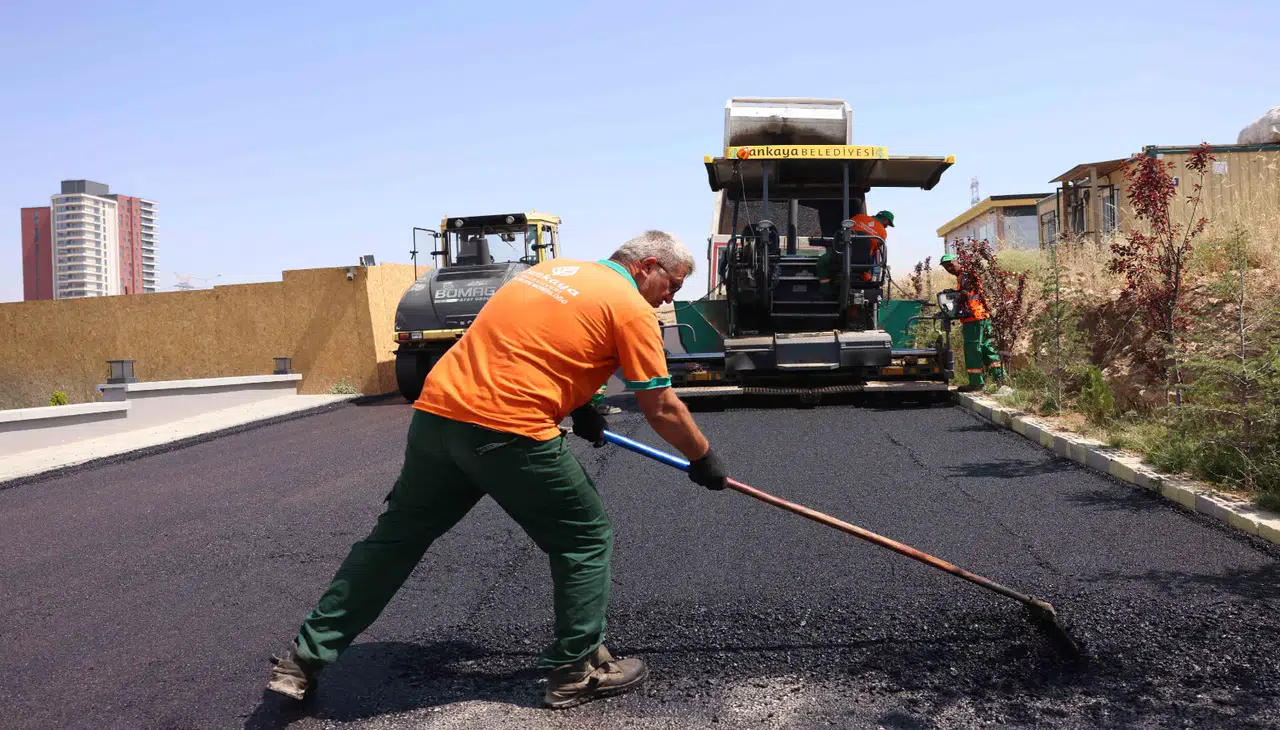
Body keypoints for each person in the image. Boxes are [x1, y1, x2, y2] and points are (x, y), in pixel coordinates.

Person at [265, 230, 730, 710]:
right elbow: (661, 406)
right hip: (509, 431)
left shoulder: (549, 273)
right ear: (647, 265)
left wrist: (585, 403)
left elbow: (536, 344)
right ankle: (577, 669)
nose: (670, 297)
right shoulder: (631, 306)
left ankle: (302, 661)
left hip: (438, 417)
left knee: (395, 539)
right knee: (583, 537)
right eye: (671, 284)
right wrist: (702, 458)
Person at [939, 252, 1005, 390]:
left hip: (974, 318)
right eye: (946, 267)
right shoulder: (963, 276)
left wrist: (954, 298)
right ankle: (1000, 380)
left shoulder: (966, 275)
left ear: (958, 261)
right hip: (982, 317)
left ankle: (976, 383)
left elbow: (965, 294)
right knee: (988, 349)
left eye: (951, 265)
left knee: (973, 349)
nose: (949, 269)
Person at [816, 209, 894, 294]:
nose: (887, 226)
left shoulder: (859, 217)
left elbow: (843, 232)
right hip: (862, 263)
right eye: (888, 224)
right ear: (885, 220)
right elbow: (874, 250)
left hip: (841, 257)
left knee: (822, 262)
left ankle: (825, 291)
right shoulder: (883, 232)